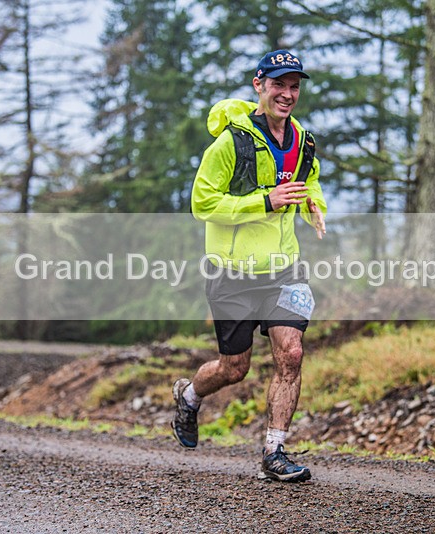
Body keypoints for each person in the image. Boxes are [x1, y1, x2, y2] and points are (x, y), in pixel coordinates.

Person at [172, 49, 326, 483]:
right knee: (234, 369)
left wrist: (314, 204)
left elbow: (308, 181)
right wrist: (265, 201)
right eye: (279, 84)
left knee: (291, 353)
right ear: (259, 85)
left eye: (294, 86)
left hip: (284, 269)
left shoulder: (303, 142)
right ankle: (188, 394)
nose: (288, 94)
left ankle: (274, 451)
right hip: (232, 274)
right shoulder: (229, 143)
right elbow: (202, 204)